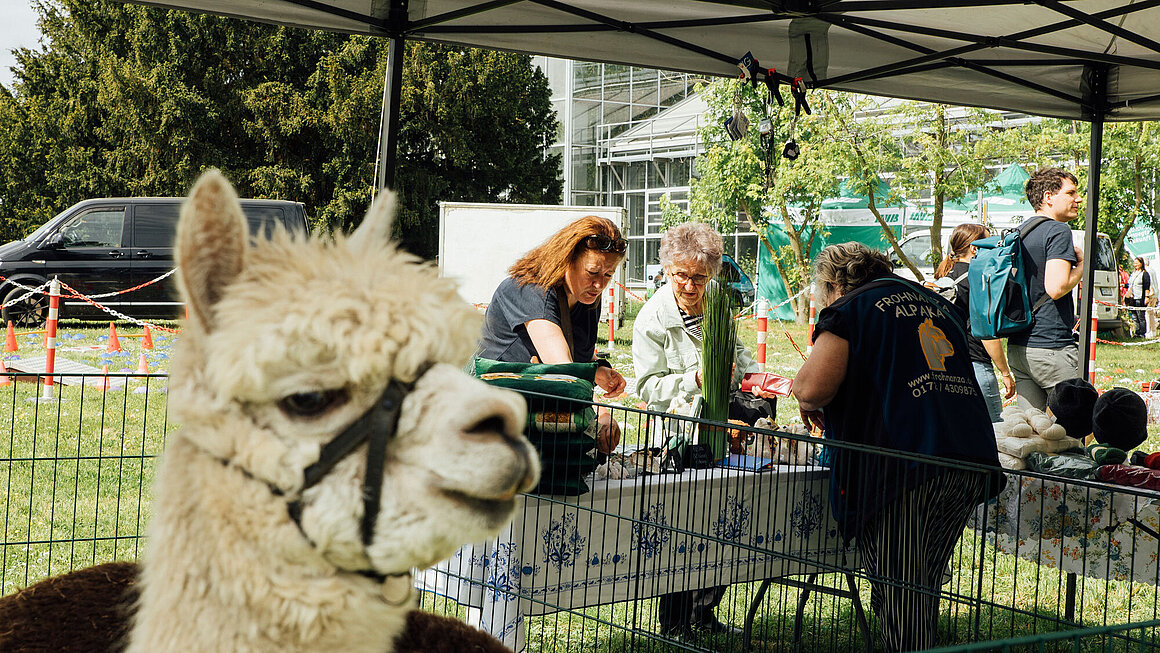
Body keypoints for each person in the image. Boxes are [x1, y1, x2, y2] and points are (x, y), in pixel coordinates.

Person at [793, 242, 1002, 653]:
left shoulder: (849, 308)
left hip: (904, 464)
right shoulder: (936, 303)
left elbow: (811, 388)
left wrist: (807, 401)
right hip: (968, 455)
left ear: (834, 284)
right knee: (919, 585)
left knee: (902, 593)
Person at [631, 222, 767, 641]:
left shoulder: (718, 306)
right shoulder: (652, 319)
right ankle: (673, 623)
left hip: (723, 431)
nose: (690, 285)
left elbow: (742, 358)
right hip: (677, 438)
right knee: (680, 529)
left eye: (700, 276)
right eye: (681, 275)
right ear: (666, 269)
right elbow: (646, 387)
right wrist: (695, 379)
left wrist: (740, 371)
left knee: (723, 523)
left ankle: (705, 612)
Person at [477, 216, 628, 452]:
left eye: (608, 275)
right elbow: (564, 369)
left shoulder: (587, 298)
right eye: (592, 272)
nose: (599, 285)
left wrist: (598, 372)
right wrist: (600, 414)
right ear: (567, 260)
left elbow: (578, 360)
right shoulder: (529, 289)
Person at [1007, 167, 1085, 411]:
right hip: (1051, 346)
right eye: (1070, 193)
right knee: (1078, 423)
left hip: (1019, 347)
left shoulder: (1020, 232)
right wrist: (1083, 266)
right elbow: (1056, 287)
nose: (1078, 199)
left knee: (1030, 429)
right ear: (1048, 197)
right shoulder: (1058, 230)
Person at [932, 223, 1016, 421]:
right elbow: (986, 333)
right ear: (975, 248)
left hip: (947, 365)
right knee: (996, 428)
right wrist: (1004, 372)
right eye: (989, 242)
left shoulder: (945, 278)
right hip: (976, 364)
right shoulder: (978, 279)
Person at [1125, 256, 1152, 338]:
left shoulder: (1145, 274)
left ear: (1141, 263)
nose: (1135, 264)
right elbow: (1130, 284)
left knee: (1141, 316)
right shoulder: (1133, 274)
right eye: (1134, 263)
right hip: (1132, 298)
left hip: (1140, 297)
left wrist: (1146, 297)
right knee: (1134, 316)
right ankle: (1136, 332)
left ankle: (1142, 333)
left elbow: (1146, 286)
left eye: (1137, 263)